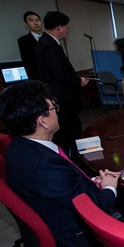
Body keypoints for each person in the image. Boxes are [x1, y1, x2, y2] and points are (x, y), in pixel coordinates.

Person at [0, 80, 120, 247]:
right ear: (42, 120)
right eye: (53, 107)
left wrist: (91, 181)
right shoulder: (46, 167)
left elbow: (64, 187)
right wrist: (110, 188)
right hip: (80, 236)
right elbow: (90, 208)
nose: (57, 112)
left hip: (60, 212)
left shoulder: (18, 146)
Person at [36, 11, 88, 157]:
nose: (66, 30)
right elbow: (60, 73)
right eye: (66, 27)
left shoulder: (46, 42)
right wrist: (79, 81)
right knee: (70, 132)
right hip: (62, 98)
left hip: (61, 97)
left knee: (71, 131)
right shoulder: (49, 45)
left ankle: (75, 158)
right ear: (59, 27)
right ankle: (76, 162)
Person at [17, 11, 43, 80]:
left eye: (37, 20)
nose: (36, 23)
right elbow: (27, 63)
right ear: (26, 24)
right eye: (31, 21)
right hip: (39, 77)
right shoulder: (23, 41)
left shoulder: (49, 37)